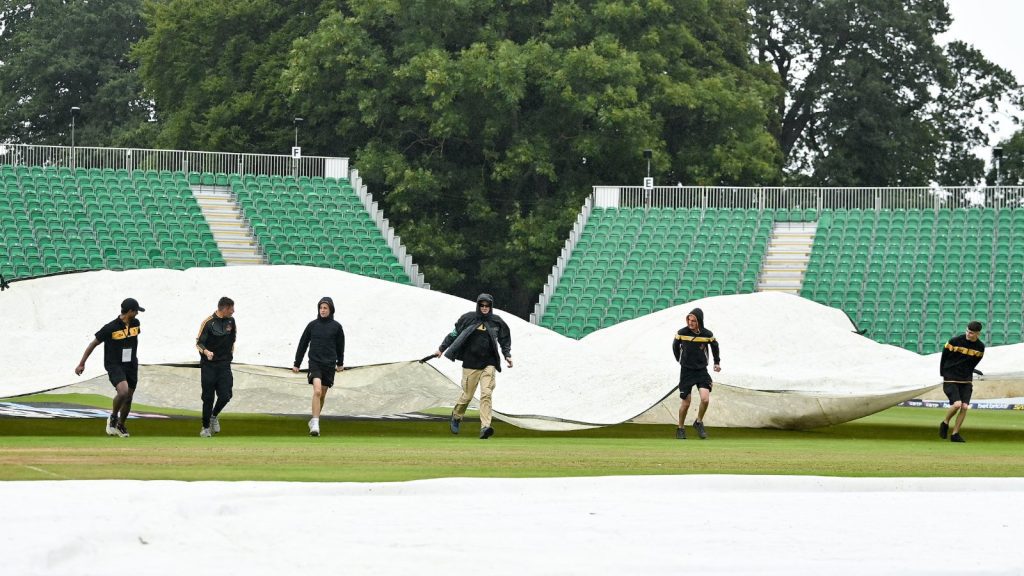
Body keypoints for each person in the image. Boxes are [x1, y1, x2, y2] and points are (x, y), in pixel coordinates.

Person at [433, 293, 513, 439]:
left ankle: (485, 427)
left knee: (486, 394)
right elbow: (453, 334)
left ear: (491, 306)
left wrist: (507, 355)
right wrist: (441, 349)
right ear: (478, 305)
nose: (484, 308)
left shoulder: (497, 322)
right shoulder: (467, 318)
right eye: (482, 305)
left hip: (489, 363)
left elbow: (504, 339)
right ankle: (457, 416)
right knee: (467, 396)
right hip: (470, 364)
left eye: (487, 305)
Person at [74, 298, 145, 438]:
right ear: (130, 311)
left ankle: (120, 425)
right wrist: (82, 363)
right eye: (136, 311)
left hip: (131, 364)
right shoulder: (110, 327)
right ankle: (113, 417)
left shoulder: (136, 323)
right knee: (123, 391)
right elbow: (93, 344)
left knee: (129, 397)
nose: (137, 313)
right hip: (114, 364)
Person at [292, 297, 345, 437]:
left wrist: (340, 363)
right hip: (314, 363)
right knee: (317, 391)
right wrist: (297, 363)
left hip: (329, 364)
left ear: (331, 310)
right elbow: (302, 344)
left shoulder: (337, 327)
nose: (322, 310)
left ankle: (314, 419)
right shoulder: (312, 325)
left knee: (322, 394)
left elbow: (340, 347)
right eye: (321, 308)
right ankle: (315, 424)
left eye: (325, 308)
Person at [672, 307, 721, 440]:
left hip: (701, 371)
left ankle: (698, 422)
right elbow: (675, 346)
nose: (690, 323)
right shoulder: (682, 332)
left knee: (705, 399)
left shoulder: (707, 334)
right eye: (689, 320)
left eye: (693, 320)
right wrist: (679, 359)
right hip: (686, 371)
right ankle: (680, 428)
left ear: (699, 321)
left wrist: (717, 362)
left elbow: (715, 346)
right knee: (686, 403)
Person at [195, 296, 237, 438]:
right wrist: (206, 352)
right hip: (209, 366)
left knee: (226, 395)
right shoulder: (208, 323)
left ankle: (213, 416)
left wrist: (229, 355)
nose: (233, 311)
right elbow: (199, 343)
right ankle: (205, 427)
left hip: (224, 365)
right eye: (231, 309)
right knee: (208, 398)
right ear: (224, 308)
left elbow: (233, 339)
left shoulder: (231, 321)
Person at [939, 320, 985, 443]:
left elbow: (972, 362)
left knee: (965, 406)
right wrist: (943, 373)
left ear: (978, 334)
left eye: (972, 333)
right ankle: (945, 422)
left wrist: (972, 370)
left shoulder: (980, 347)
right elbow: (944, 357)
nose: (968, 335)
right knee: (957, 404)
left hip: (966, 379)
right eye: (968, 332)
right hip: (951, 377)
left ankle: (955, 434)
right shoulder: (954, 341)